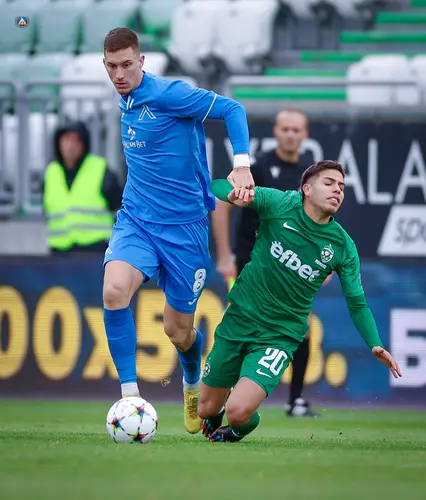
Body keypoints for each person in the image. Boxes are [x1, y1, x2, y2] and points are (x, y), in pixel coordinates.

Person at [101, 27, 254, 434]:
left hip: (185, 231)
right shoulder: (125, 98)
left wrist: (241, 164)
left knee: (178, 331)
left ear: (141, 61)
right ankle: (130, 398)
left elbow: (233, 109)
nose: (119, 74)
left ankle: (190, 381)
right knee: (114, 292)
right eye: (112, 66)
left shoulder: (169, 94)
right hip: (137, 220)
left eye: (127, 65)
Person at [198, 160, 402, 443]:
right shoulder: (280, 203)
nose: (337, 190)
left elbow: (357, 303)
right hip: (239, 318)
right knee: (205, 409)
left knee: (237, 412)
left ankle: (238, 427)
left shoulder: (342, 246)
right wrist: (233, 194)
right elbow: (217, 187)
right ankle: (218, 409)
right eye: (329, 183)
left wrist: (375, 344)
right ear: (306, 189)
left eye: (342, 187)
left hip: (279, 335)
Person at [212, 108, 317, 417]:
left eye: (296, 130)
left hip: (287, 267)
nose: (290, 135)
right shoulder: (257, 168)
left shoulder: (309, 176)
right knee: (240, 324)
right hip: (251, 262)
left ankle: (295, 401)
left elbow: (314, 222)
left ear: (305, 135)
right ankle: (221, 396)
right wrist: (224, 255)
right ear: (276, 132)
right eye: (285, 129)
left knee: (303, 328)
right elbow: (221, 204)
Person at [43, 122, 122, 253]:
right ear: (58, 142)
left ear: (84, 144)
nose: (71, 145)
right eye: (67, 139)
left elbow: (120, 210)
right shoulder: (51, 172)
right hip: (58, 252)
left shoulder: (100, 170)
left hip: (95, 251)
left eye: (77, 140)